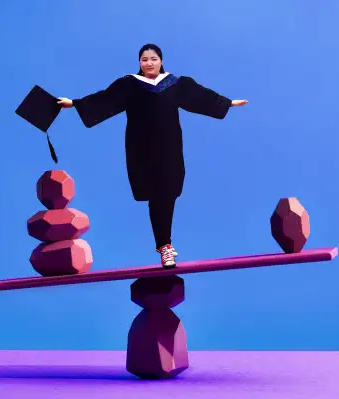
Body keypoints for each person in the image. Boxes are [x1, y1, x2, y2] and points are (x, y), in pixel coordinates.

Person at [57, 44, 248, 268]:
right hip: (142, 149)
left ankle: (164, 245)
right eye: (144, 59)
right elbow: (104, 99)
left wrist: (228, 103)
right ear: (139, 63)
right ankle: (165, 246)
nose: (149, 63)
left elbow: (200, 96)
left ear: (161, 61)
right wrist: (75, 103)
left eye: (153, 58)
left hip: (169, 148)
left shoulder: (175, 84)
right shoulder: (129, 85)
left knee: (167, 193)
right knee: (158, 194)